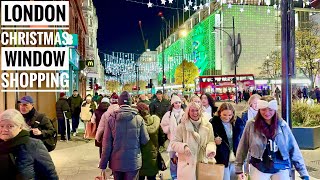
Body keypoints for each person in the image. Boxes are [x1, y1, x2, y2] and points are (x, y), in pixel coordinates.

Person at [235, 96, 309, 180]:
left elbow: (293, 148)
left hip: (281, 165)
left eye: (270, 110)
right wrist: (239, 169)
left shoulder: (282, 125)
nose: (267, 113)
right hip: (258, 166)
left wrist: (303, 172)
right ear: (259, 110)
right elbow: (242, 147)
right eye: (263, 109)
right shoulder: (251, 125)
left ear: (275, 110)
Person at [99, 91, 150, 180]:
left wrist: (103, 164)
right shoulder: (139, 119)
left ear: (119, 103)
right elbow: (145, 140)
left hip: (116, 162)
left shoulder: (111, 119)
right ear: (130, 103)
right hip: (133, 162)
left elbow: (106, 145)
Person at [0, 109, 58, 179]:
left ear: (20, 127)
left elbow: (50, 175)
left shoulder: (33, 145)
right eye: (1, 126)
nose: (4, 130)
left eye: (10, 126)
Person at [171, 102, 216, 180]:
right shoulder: (182, 126)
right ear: (188, 112)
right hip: (187, 165)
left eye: (197, 110)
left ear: (200, 111)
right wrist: (184, 147)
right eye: (192, 110)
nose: (195, 113)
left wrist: (211, 150)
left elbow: (211, 141)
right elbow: (173, 143)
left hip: (203, 163)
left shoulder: (208, 125)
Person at [211, 103, 242, 180]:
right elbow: (208, 138)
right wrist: (214, 140)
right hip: (221, 156)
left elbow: (242, 138)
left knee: (235, 178)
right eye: (224, 115)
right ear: (219, 113)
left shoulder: (238, 122)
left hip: (235, 156)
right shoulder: (213, 123)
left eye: (230, 115)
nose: (227, 117)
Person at [160, 95, 185, 180]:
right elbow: (163, 125)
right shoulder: (169, 114)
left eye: (179, 102)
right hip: (172, 141)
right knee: (173, 160)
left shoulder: (184, 113)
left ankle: (181, 176)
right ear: (173, 104)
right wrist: (169, 128)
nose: (178, 104)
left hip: (182, 140)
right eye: (176, 103)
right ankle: (174, 176)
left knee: (181, 160)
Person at [136, 103, 161, 180]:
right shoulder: (155, 120)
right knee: (152, 176)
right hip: (153, 153)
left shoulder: (136, 122)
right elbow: (162, 137)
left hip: (139, 154)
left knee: (140, 177)